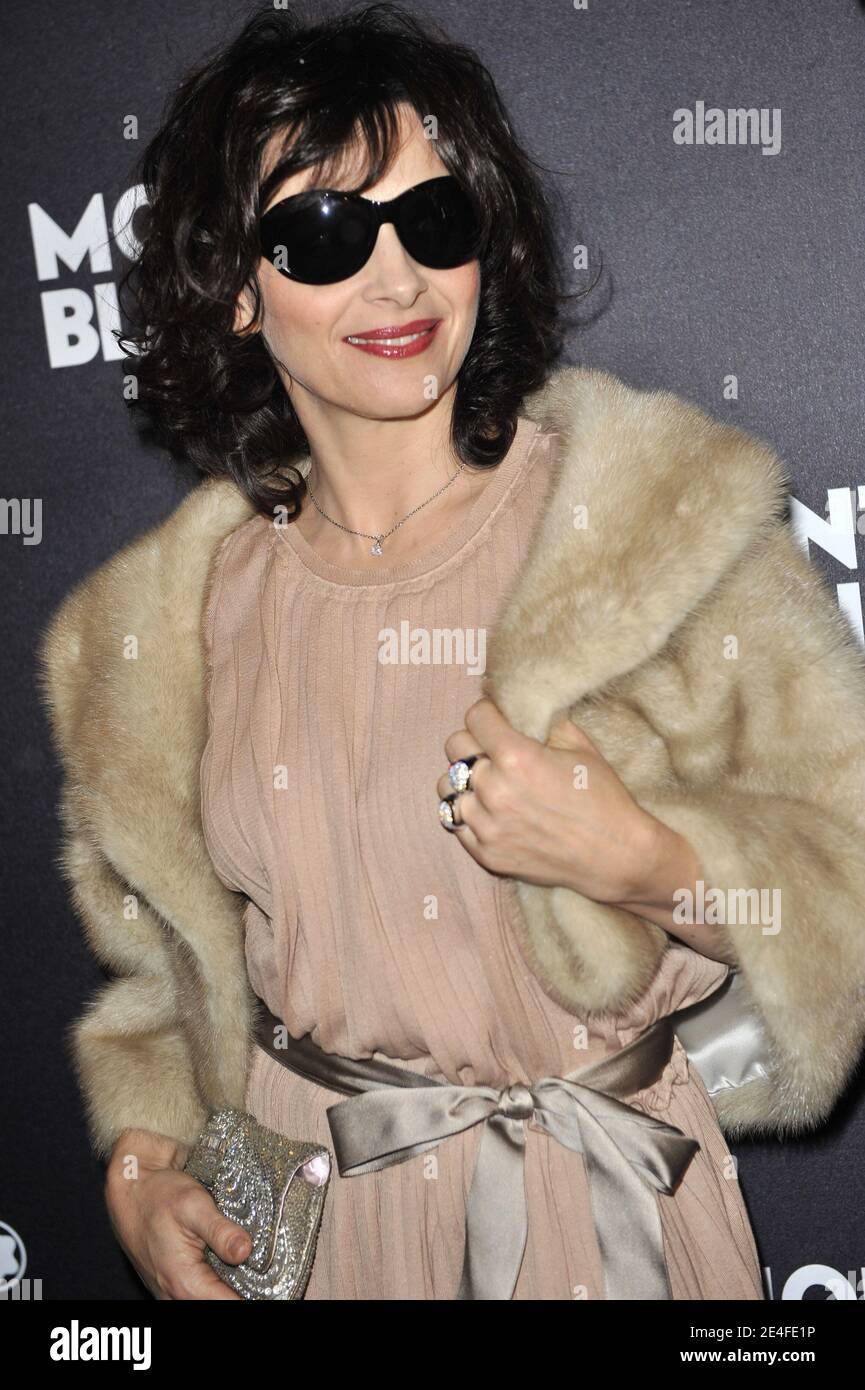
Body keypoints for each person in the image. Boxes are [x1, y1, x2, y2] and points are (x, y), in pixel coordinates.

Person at [37, 2, 865, 1301]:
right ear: (235, 287)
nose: (395, 280)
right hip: (319, 1227)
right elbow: (162, 972)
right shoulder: (169, 620)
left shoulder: (651, 531)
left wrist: (641, 858)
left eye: (434, 222)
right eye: (320, 233)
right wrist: (143, 1158)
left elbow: (847, 880)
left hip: (604, 1228)